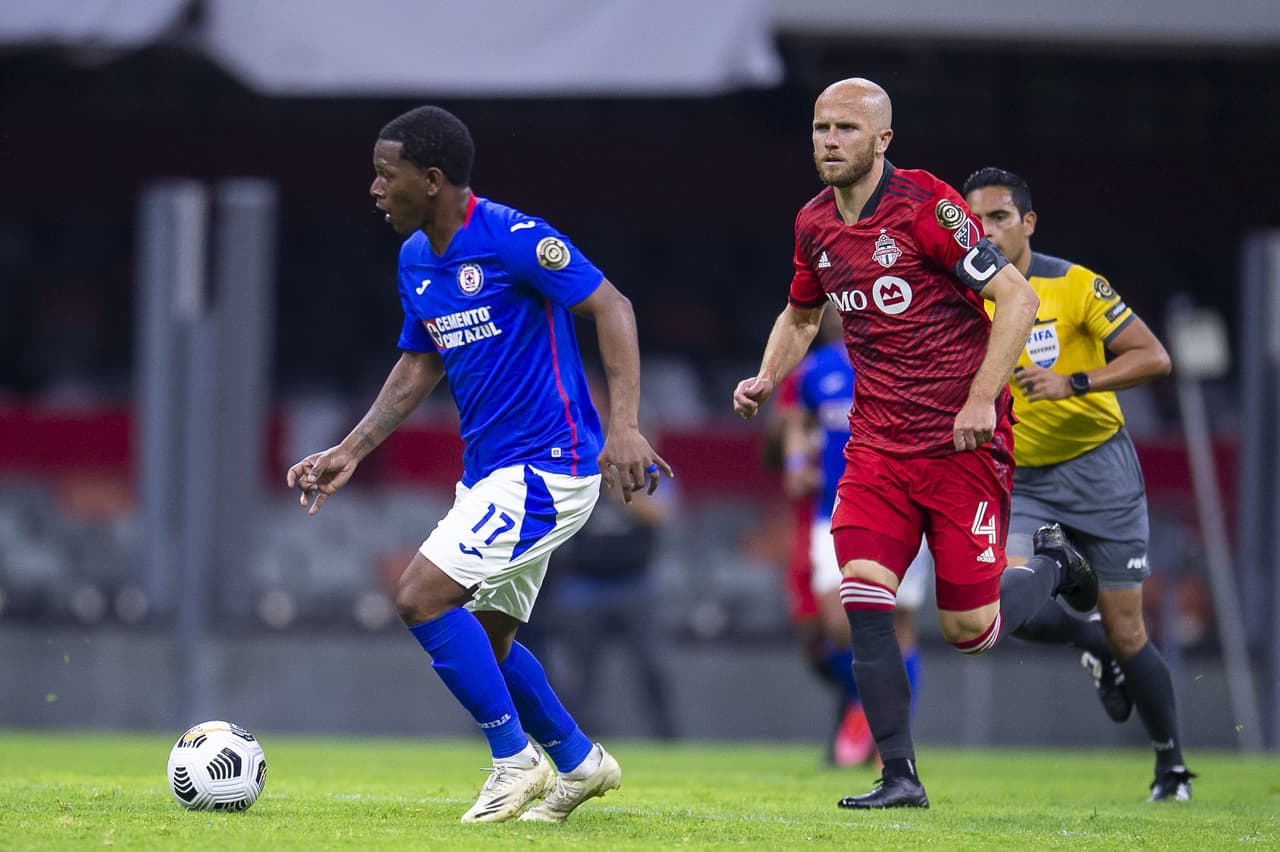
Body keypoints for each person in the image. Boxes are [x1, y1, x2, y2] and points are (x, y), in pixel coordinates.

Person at [286, 105, 672, 824]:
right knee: (488, 641)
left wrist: (623, 427)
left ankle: (512, 760)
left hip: (549, 466)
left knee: (419, 597)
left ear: (431, 181)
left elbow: (613, 307)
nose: (373, 189)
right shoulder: (414, 259)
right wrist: (350, 449)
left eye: (384, 175)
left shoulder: (515, 238)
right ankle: (580, 762)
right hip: (494, 470)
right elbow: (420, 362)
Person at [733, 78, 1098, 810]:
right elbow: (802, 314)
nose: (828, 140)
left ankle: (1053, 567)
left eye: (844, 128)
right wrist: (768, 375)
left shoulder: (926, 206)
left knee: (969, 629)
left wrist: (978, 398)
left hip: (960, 444)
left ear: (881, 140)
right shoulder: (813, 224)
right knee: (864, 596)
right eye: (819, 128)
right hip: (875, 449)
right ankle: (899, 775)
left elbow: (1017, 299)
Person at [961, 167, 1190, 802]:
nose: (986, 231)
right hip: (1022, 476)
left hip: (1100, 472)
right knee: (997, 604)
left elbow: (1155, 357)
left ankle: (1171, 768)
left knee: (1129, 631)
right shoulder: (960, 294)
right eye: (974, 220)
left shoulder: (1075, 285)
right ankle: (1085, 635)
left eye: (1000, 217)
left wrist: (1074, 381)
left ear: (1028, 222)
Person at [780, 308, 929, 766]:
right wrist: (795, 464)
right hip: (835, 509)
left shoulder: (906, 364)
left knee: (898, 623)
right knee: (837, 622)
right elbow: (797, 425)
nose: (838, 315)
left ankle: (891, 742)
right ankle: (864, 704)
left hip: (901, 509)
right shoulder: (817, 369)